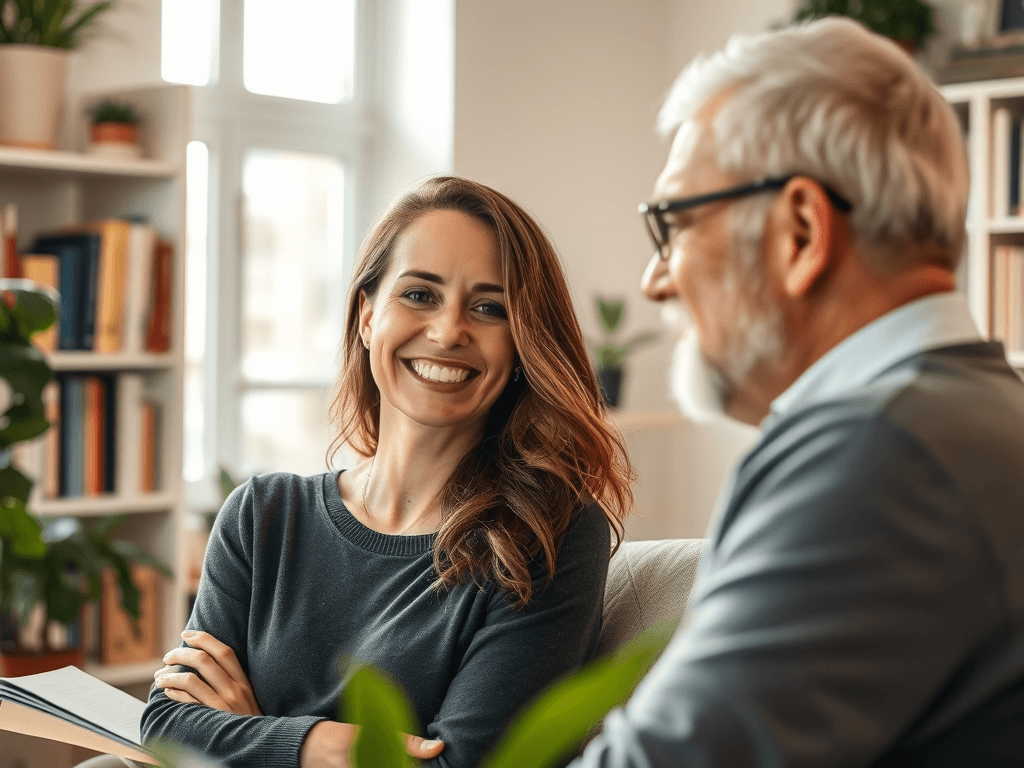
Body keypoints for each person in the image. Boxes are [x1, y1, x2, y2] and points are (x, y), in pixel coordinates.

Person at [573, 16, 1024, 768]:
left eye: (674, 226)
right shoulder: (974, 415)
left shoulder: (878, 455)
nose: (655, 281)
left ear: (802, 232)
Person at [141, 176, 633, 768]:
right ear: (367, 315)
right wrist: (312, 746)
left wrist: (254, 734)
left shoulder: (547, 533)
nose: (449, 331)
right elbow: (168, 722)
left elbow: (462, 767)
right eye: (420, 295)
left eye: (488, 307)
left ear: (523, 343)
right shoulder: (262, 516)